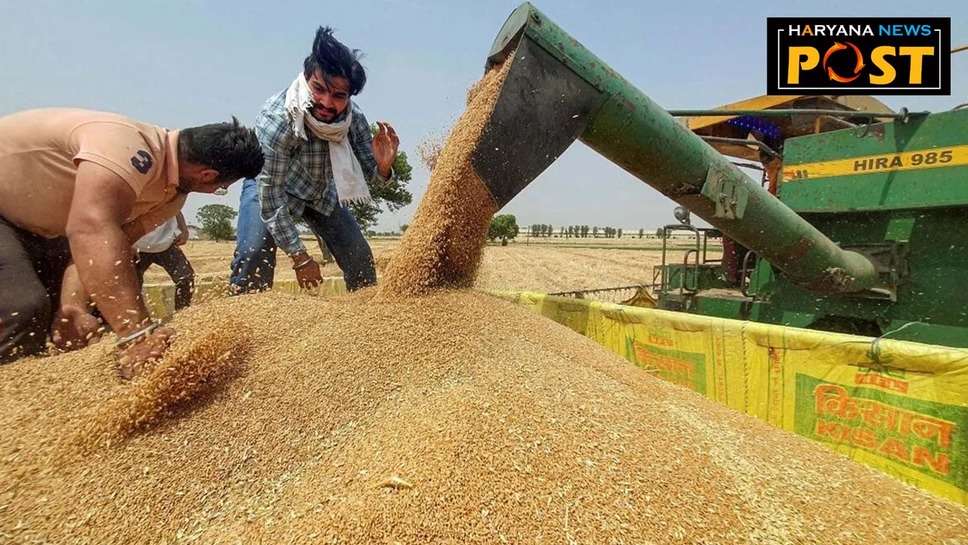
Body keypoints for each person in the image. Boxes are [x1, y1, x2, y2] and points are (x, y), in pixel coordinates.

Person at [0, 108, 263, 376]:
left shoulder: (171, 196)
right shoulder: (126, 147)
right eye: (220, 189)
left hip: (46, 230)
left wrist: (74, 307)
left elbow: (112, 248)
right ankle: (15, 401)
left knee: (86, 315)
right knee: (23, 308)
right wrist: (137, 335)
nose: (214, 193)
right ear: (207, 175)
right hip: (6, 214)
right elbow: (92, 230)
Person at [230, 26, 399, 294]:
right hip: (273, 189)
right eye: (318, 89)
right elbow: (271, 199)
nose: (326, 102)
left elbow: (375, 177)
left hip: (319, 194)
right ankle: (242, 323)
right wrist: (300, 257)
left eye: (338, 96)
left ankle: (367, 323)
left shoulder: (353, 120)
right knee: (252, 256)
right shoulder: (278, 120)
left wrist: (384, 166)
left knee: (360, 258)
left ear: (350, 97)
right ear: (307, 77)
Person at [133, 213, 195, 310]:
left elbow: (176, 209)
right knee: (131, 285)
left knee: (185, 277)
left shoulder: (171, 198)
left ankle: (182, 313)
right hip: (137, 246)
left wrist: (184, 230)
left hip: (167, 243)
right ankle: (133, 318)